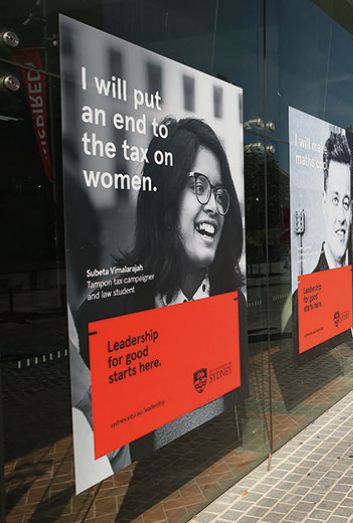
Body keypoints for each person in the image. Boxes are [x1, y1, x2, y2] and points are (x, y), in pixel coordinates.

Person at [77, 118, 247, 463]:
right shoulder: (106, 311)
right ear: (166, 202)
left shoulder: (232, 304)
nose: (213, 205)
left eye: (219, 192)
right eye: (198, 185)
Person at [312, 131, 353, 271]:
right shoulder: (300, 293)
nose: (341, 217)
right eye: (335, 200)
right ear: (324, 203)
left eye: (346, 203)